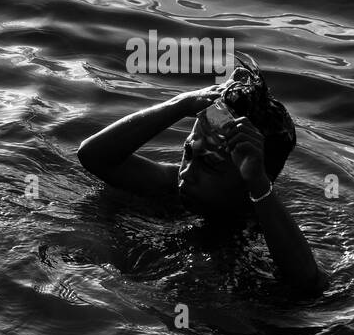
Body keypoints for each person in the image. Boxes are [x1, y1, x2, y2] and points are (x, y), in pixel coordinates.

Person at [77, 62, 326, 295]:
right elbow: (94, 156)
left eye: (208, 164)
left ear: (248, 179)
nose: (187, 173)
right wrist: (181, 104)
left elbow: (308, 283)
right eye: (188, 153)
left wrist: (258, 182)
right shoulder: (170, 186)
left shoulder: (261, 225)